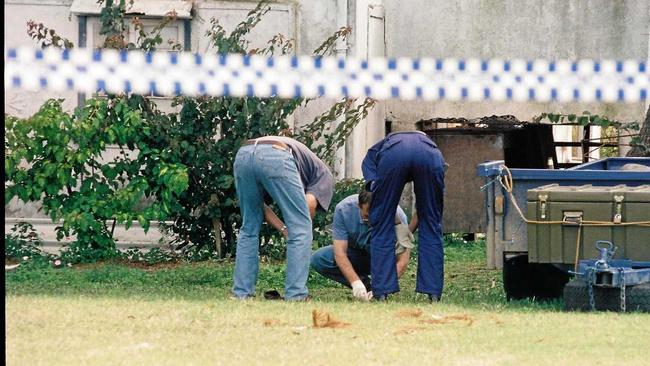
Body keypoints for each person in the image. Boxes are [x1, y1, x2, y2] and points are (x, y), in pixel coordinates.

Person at [232, 136, 334, 301]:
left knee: (249, 227)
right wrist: (296, 231)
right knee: (301, 229)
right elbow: (308, 207)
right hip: (276, 154)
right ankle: (296, 295)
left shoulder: (304, 164)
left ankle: (241, 294)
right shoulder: (324, 176)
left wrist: (284, 229)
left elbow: (261, 208)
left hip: (244, 154)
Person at [362, 131, 446, 302]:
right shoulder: (427, 145)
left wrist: (382, 210)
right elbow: (429, 208)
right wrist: (408, 230)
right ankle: (434, 293)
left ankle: (381, 293)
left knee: (381, 226)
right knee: (432, 224)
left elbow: (372, 188)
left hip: (394, 154)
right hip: (430, 155)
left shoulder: (378, 149)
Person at [310, 191, 415, 301]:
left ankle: (379, 289)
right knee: (319, 259)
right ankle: (364, 286)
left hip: (384, 259)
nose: (371, 220)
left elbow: (403, 260)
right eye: (367, 216)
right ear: (359, 206)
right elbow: (340, 252)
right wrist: (355, 282)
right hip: (356, 255)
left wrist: (383, 286)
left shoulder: (398, 215)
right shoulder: (343, 209)